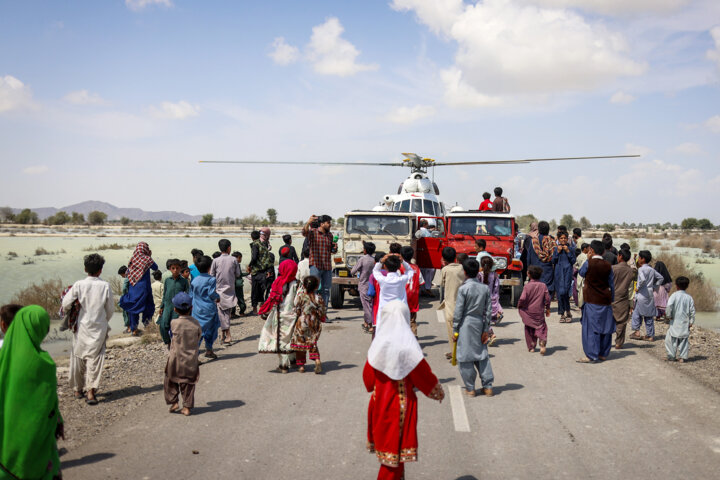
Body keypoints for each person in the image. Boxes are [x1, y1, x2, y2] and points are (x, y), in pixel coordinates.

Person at [364, 300, 445, 480]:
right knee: (392, 462)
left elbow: (368, 382)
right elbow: (423, 376)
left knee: (391, 459)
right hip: (400, 408)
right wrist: (438, 392)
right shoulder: (408, 347)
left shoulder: (377, 346)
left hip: (378, 405)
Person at [0, 306, 64, 480]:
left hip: (7, 443)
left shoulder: (3, 357)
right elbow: (48, 405)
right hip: (38, 446)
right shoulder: (44, 363)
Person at [62, 253, 115, 404]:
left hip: (82, 326)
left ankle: (77, 390)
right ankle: (91, 392)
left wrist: (72, 314)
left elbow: (65, 304)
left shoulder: (79, 285)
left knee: (78, 356)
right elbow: (110, 309)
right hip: (98, 327)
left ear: (85, 269)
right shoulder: (105, 286)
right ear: (101, 270)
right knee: (95, 358)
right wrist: (103, 321)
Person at [453, 259, 494, 396]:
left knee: (465, 356)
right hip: (480, 323)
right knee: (482, 355)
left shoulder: (463, 288)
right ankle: (487, 386)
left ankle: (470, 388)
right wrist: (486, 329)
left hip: (466, 324)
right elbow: (488, 310)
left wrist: (455, 329)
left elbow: (459, 311)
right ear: (478, 271)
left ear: (465, 272)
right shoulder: (484, 288)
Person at [577, 241, 616, 363]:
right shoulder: (608, 265)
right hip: (605, 300)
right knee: (605, 327)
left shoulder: (588, 263)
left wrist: (588, 259)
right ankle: (603, 353)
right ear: (603, 251)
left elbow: (581, 273)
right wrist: (612, 299)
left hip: (591, 300)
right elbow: (611, 284)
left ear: (591, 250)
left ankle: (591, 354)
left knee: (590, 328)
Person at [258, 260, 299, 373]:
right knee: (291, 337)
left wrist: (265, 312)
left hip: (281, 315)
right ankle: (293, 360)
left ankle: (283, 365)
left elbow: (272, 299)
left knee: (281, 340)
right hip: (294, 315)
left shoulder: (278, 283)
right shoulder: (298, 284)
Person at [164, 292, 201, 417]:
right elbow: (199, 337)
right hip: (191, 359)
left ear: (175, 309)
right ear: (191, 308)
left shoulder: (174, 323)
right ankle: (186, 407)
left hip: (175, 358)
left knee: (170, 379)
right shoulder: (196, 323)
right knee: (188, 383)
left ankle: (173, 401)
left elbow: (170, 335)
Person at [119, 242, 158, 335]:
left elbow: (128, 272)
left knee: (133, 308)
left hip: (133, 287)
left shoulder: (133, 259)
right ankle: (147, 326)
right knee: (148, 306)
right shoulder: (147, 259)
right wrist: (150, 256)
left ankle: (134, 329)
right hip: (144, 287)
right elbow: (155, 268)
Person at [210, 239, 242, 344]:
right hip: (230, 290)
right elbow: (238, 274)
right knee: (225, 313)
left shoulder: (215, 261)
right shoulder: (234, 260)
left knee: (222, 313)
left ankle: (226, 334)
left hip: (219, 289)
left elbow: (212, 275)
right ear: (229, 247)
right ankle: (225, 334)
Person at [292, 276, 325, 374]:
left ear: (304, 286)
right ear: (316, 287)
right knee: (312, 343)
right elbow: (322, 312)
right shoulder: (318, 297)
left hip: (302, 323)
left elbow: (296, 308)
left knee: (300, 344)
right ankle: (317, 360)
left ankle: (301, 366)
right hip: (314, 323)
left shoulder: (300, 296)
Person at [630, 250, 665, 342]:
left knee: (636, 314)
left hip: (641, 295)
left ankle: (636, 332)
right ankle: (650, 335)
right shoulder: (652, 270)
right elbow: (661, 278)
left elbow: (642, 279)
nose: (638, 259)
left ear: (642, 259)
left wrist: (638, 287)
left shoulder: (641, 269)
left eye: (639, 258)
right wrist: (654, 286)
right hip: (649, 294)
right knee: (649, 315)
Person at [302, 214, 336, 308]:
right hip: (315, 265)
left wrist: (334, 248)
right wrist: (309, 222)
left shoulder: (330, 235)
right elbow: (304, 232)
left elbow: (331, 251)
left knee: (325, 290)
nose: (330, 225)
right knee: (314, 289)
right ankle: (313, 311)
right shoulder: (313, 232)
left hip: (327, 267)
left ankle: (323, 313)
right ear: (321, 224)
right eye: (328, 223)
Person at [190, 255, 221, 359]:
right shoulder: (211, 280)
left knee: (198, 331)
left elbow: (192, 294)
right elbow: (212, 293)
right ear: (209, 267)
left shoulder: (194, 280)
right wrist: (218, 297)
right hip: (208, 309)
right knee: (211, 329)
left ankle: (196, 354)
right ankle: (209, 350)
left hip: (197, 309)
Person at [372, 254, 413, 328]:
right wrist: (403, 261)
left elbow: (375, 270)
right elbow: (410, 271)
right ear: (399, 267)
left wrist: (381, 261)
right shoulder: (402, 280)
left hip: (385, 312)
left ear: (385, 266)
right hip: (400, 312)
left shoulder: (383, 280)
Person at [518, 265, 551, 354]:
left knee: (529, 329)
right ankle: (542, 342)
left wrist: (520, 306)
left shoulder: (527, 286)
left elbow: (522, 299)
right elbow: (548, 298)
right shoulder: (543, 286)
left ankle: (531, 347)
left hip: (528, 312)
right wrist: (547, 308)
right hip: (539, 312)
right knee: (542, 327)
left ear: (528, 275)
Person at [439, 247, 465, 358]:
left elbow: (442, 283)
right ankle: (460, 352)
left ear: (443, 259)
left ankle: (455, 353)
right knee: (463, 330)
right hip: (464, 305)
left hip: (451, 306)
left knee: (452, 332)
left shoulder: (445, 270)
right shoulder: (463, 268)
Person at [158, 259, 190, 346]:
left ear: (180, 269)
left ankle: (177, 344)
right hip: (168, 306)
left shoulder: (184, 281)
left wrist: (187, 307)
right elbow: (164, 294)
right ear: (170, 269)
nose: (175, 270)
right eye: (173, 268)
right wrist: (162, 306)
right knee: (163, 325)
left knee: (176, 326)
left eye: (177, 268)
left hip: (178, 307)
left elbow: (188, 294)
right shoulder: (168, 281)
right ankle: (168, 342)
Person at [664, 276, 695, 362]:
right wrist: (691, 321)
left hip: (674, 321)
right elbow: (692, 310)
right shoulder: (689, 298)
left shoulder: (674, 296)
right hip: (685, 321)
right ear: (687, 286)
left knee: (670, 339)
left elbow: (669, 306)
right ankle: (682, 357)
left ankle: (671, 355)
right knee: (684, 340)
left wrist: (668, 316)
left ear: (677, 285)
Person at [352, 241, 377, 334]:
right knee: (370, 304)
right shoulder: (374, 260)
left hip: (363, 285)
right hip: (373, 285)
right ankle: (366, 323)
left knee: (366, 306)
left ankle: (371, 325)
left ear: (365, 250)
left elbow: (352, 271)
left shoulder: (362, 259)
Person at [612, 249, 635, 349]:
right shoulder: (631, 271)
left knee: (609, 319)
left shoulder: (612, 268)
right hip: (623, 298)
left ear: (620, 256)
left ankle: (606, 341)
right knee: (621, 322)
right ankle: (619, 342)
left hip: (612, 297)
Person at [525, 221, 555, 294]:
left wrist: (529, 269)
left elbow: (528, 259)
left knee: (536, 292)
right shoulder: (552, 242)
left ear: (539, 229)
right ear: (548, 230)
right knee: (547, 291)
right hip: (548, 271)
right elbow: (554, 258)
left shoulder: (533, 242)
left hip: (535, 271)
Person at [553, 231, 576, 322]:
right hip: (558, 273)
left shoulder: (571, 249)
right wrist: (558, 252)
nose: (563, 240)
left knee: (565, 292)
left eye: (564, 238)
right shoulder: (556, 249)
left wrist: (568, 252)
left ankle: (568, 311)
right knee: (559, 294)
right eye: (561, 238)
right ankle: (562, 314)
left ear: (567, 239)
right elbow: (553, 261)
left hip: (567, 272)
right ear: (558, 240)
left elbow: (573, 261)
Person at [477, 256, 500, 346]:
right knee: (486, 319)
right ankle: (487, 336)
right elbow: (496, 289)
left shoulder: (479, 275)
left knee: (482, 319)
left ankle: (491, 334)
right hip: (491, 299)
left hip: (480, 300)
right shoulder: (494, 275)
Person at [401, 246, 424, 336]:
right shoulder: (416, 268)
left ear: (401, 256)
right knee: (412, 320)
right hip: (413, 298)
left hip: (402, 298)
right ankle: (413, 336)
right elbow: (421, 282)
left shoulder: (399, 268)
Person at [248, 230, 271, 315]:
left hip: (256, 271)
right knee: (262, 289)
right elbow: (268, 257)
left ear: (251, 237)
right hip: (264, 271)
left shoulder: (255, 244)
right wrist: (268, 270)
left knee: (254, 290)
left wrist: (250, 265)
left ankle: (254, 309)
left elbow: (254, 257)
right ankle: (262, 308)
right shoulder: (264, 244)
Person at [415, 219, 436, 297]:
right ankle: (427, 288)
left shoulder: (418, 231)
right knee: (430, 270)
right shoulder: (426, 231)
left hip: (419, 253)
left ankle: (422, 288)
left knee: (422, 270)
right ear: (425, 225)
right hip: (427, 252)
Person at [231, 251, 248, 316]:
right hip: (238, 284)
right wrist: (248, 273)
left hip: (232, 284)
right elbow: (239, 274)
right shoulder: (237, 265)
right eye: (240, 258)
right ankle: (242, 312)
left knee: (233, 299)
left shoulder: (230, 264)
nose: (240, 259)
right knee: (240, 299)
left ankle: (232, 313)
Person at [574, 243, 589, 309]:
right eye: (588, 248)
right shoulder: (585, 257)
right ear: (585, 249)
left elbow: (575, 265)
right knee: (582, 293)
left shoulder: (579, 256)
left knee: (580, 291)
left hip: (579, 275)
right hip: (583, 275)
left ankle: (580, 305)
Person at [118, 265, 130, 333]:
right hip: (132, 298)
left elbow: (124, 289)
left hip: (127, 298)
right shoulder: (132, 277)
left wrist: (123, 297)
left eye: (121, 275)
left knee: (126, 313)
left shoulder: (127, 279)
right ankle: (132, 327)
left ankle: (129, 328)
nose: (122, 276)